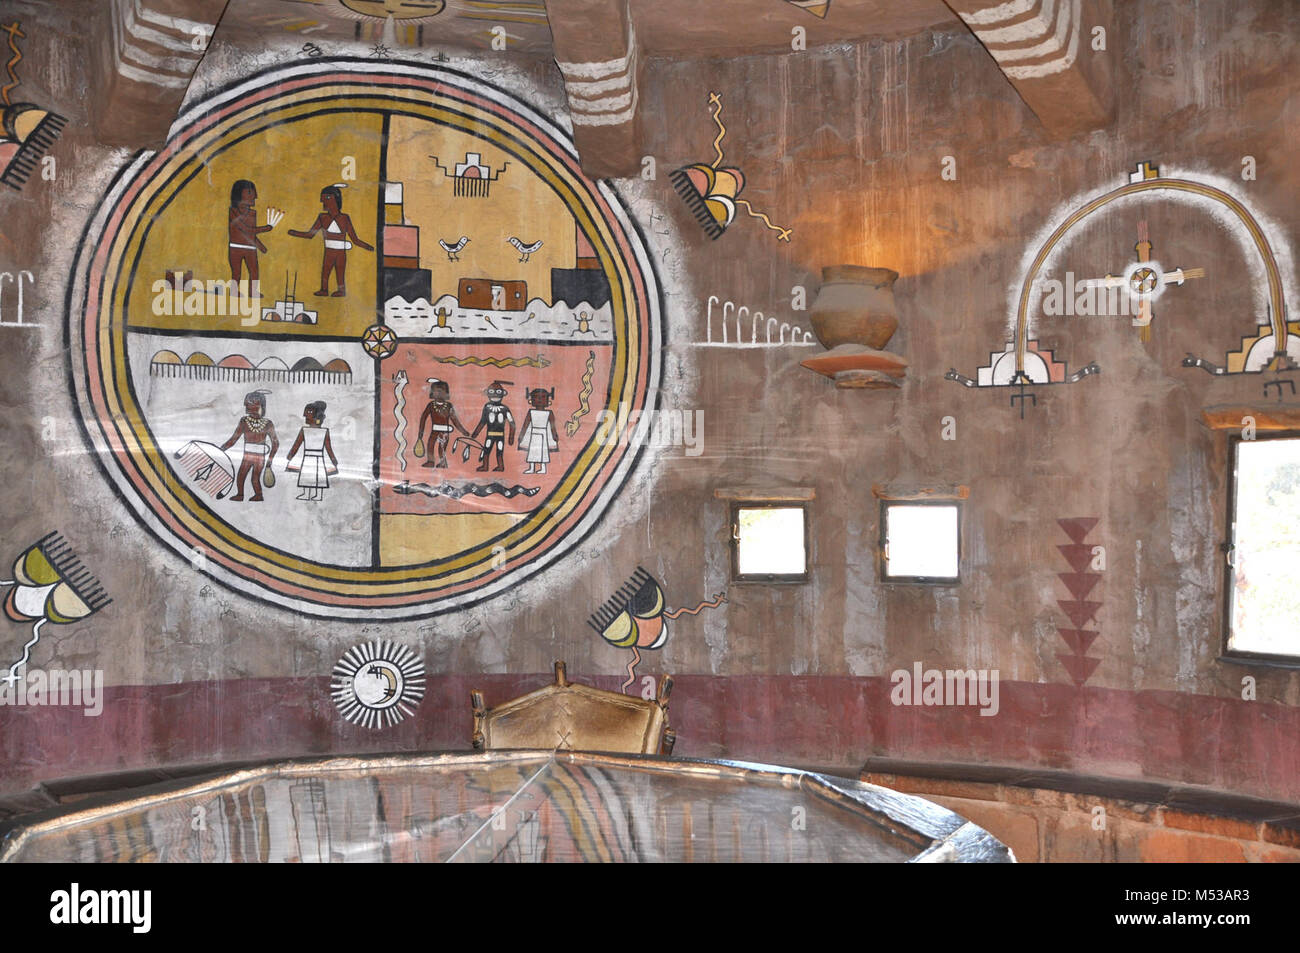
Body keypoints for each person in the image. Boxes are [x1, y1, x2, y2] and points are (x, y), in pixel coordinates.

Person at [287, 184, 373, 297]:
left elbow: (355, 239)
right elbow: (310, 235)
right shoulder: (323, 217)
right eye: (323, 200)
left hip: (340, 251)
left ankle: (341, 290)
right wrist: (294, 233)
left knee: (340, 271)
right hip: (329, 251)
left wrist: (368, 247)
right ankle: (324, 289)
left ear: (334, 199)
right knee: (325, 271)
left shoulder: (344, 218)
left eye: (326, 199)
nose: (324, 204)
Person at [220, 390, 279, 502]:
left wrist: (269, 461)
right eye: (248, 403)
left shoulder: (267, 424)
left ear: (260, 405)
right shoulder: (244, 421)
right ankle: (240, 494)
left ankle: (258, 495)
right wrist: (222, 449)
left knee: (255, 478)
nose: (248, 406)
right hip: (248, 455)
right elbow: (233, 439)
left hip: (259, 457)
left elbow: (275, 443)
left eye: (252, 403)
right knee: (241, 475)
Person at [284, 401, 339, 502]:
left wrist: (333, 459)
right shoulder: (304, 430)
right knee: (306, 475)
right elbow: (297, 445)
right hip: (308, 456)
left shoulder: (324, 432)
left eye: (308, 414)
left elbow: (328, 448)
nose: (306, 417)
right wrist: (290, 455)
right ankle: (306, 493)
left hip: (318, 457)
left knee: (319, 476)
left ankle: (318, 495)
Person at [228, 179, 277, 290]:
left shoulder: (252, 213)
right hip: (236, 248)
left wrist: (260, 246)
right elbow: (246, 230)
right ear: (239, 193)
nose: (255, 196)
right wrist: (266, 228)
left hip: (250, 248)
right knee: (236, 273)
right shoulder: (233, 212)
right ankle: (234, 291)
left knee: (254, 272)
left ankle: (252, 292)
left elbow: (251, 235)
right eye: (250, 192)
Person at [416, 378, 468, 469]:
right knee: (430, 445)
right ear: (432, 393)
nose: (439, 393)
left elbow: (454, 419)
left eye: (442, 391)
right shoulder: (431, 405)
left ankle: (443, 463)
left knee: (442, 448)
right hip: (434, 430)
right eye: (437, 391)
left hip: (444, 432)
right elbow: (423, 418)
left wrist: (463, 431)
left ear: (446, 393)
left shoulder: (448, 406)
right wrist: (420, 432)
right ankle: (431, 461)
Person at [470, 380, 516, 472]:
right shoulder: (487, 407)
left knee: (499, 451)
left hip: (500, 435)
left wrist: (511, 437)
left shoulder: (505, 409)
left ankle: (501, 466)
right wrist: (475, 433)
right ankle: (485, 466)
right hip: (490, 434)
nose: (495, 395)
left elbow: (512, 423)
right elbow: (482, 422)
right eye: (492, 392)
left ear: (502, 394)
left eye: (498, 392)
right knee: (486, 450)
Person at [518, 387, 558, 475]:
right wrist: (522, 435)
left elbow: (552, 425)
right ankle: (531, 468)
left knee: (543, 452)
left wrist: (554, 435)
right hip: (533, 434)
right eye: (536, 397)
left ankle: (543, 468)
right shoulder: (531, 412)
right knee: (532, 452)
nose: (540, 400)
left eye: (543, 397)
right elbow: (526, 424)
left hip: (543, 434)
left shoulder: (549, 413)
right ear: (531, 400)